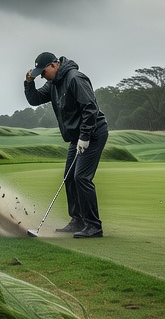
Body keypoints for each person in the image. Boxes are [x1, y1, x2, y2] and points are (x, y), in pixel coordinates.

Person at [23, 51, 109, 238]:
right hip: (76, 136)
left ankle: (94, 226)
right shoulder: (53, 83)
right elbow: (35, 100)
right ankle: (77, 220)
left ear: (54, 65)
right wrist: (29, 82)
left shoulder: (74, 78)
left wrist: (85, 136)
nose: (42, 76)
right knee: (69, 178)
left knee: (81, 178)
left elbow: (90, 108)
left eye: (43, 72)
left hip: (93, 132)